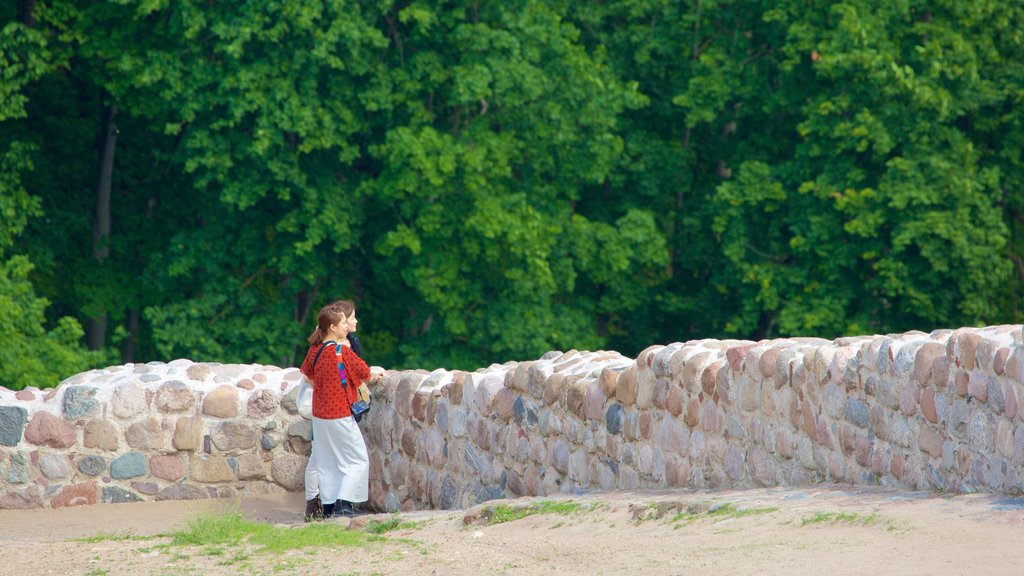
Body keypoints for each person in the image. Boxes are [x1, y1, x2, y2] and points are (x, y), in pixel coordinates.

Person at [300, 300, 372, 520]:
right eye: (343, 323)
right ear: (332, 327)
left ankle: (328, 506)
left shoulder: (317, 351)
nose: (346, 328)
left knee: (327, 461)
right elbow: (365, 372)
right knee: (358, 460)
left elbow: (307, 373)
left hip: (320, 414)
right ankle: (344, 503)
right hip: (340, 413)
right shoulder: (342, 352)